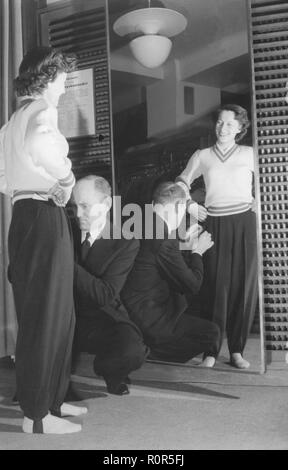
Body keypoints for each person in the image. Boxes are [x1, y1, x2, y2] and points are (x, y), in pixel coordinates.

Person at [0, 47, 87, 434]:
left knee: (56, 312)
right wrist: (64, 179)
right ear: (48, 78)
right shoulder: (42, 111)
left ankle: (51, 399)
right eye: (63, 78)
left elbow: (3, 174)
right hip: (43, 215)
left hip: (25, 215)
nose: (66, 85)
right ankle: (37, 417)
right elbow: (41, 147)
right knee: (46, 315)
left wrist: (23, 189)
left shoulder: (13, 119)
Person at [176, 104, 258, 369]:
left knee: (242, 287)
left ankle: (237, 350)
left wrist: (259, 202)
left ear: (240, 128)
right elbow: (181, 183)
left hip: (244, 222)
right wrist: (189, 205)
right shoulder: (203, 155)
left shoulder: (249, 153)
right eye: (220, 123)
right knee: (215, 287)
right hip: (214, 223)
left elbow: (274, 178)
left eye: (230, 124)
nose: (223, 129)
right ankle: (210, 350)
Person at [122, 181, 220, 364]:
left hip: (130, 309)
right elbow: (193, 284)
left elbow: (156, 254)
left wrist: (182, 241)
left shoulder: (140, 221)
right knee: (212, 333)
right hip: (149, 318)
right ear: (179, 206)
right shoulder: (165, 240)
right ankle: (150, 352)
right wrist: (198, 251)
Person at [72, 175, 148, 395]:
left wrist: (66, 261)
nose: (78, 214)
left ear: (106, 204)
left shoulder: (125, 241)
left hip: (103, 316)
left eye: (85, 206)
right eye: (75, 206)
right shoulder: (64, 230)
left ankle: (108, 369)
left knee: (133, 351)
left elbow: (105, 295)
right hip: (65, 316)